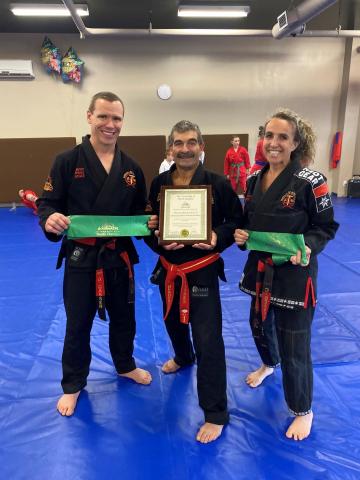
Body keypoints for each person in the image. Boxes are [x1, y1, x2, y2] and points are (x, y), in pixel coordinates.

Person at [36, 91, 157, 417]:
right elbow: (47, 202)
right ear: (89, 116)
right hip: (81, 257)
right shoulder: (67, 161)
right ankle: (73, 384)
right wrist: (50, 218)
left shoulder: (131, 168)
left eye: (117, 118)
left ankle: (124, 364)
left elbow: (140, 214)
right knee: (77, 323)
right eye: (103, 116)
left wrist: (153, 224)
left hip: (118, 256)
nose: (110, 124)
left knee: (125, 318)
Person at [234, 108, 339, 441]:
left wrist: (307, 245)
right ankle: (268, 363)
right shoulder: (253, 181)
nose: (274, 143)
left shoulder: (313, 182)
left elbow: (326, 227)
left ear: (295, 143)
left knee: (296, 345)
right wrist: (241, 236)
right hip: (260, 271)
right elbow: (249, 223)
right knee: (259, 326)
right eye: (269, 135)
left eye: (282, 137)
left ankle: (303, 410)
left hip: (296, 275)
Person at [145, 120, 243, 443]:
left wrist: (217, 236)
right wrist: (160, 240)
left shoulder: (218, 183)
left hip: (201, 270)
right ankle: (183, 357)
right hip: (169, 269)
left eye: (191, 142)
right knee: (172, 322)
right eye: (178, 143)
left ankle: (215, 413)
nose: (185, 149)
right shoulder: (159, 183)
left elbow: (237, 224)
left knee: (208, 339)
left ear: (202, 147)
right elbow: (149, 227)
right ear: (170, 148)